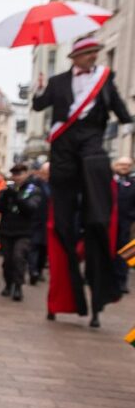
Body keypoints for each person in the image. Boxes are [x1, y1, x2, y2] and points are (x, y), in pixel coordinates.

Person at [33, 36, 133, 327]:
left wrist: (128, 126)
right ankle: (64, 297)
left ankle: (99, 301)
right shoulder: (57, 82)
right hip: (64, 153)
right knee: (62, 227)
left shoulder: (104, 79)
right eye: (88, 53)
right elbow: (39, 106)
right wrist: (39, 87)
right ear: (74, 57)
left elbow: (120, 109)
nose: (93, 58)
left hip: (92, 150)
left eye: (95, 53)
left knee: (98, 222)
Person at [0, 164, 43, 301]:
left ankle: (18, 286)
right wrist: (4, 197)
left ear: (26, 174)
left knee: (18, 258)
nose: (16, 177)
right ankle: (9, 284)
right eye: (14, 174)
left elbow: (31, 209)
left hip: (24, 232)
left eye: (19, 174)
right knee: (7, 261)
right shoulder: (7, 190)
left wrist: (16, 196)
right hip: (6, 231)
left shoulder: (33, 190)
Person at [113, 156, 134, 294]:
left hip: (127, 224)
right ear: (115, 165)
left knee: (127, 254)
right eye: (121, 165)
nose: (124, 167)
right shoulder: (108, 180)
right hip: (109, 223)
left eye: (127, 165)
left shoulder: (132, 182)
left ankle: (122, 282)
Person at [28, 162, 51, 284]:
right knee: (34, 246)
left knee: (44, 248)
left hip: (48, 222)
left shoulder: (54, 185)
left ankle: (40, 270)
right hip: (35, 221)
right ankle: (33, 271)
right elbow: (26, 196)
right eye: (46, 172)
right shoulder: (33, 184)